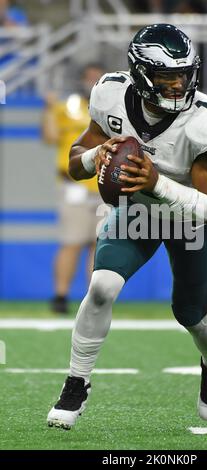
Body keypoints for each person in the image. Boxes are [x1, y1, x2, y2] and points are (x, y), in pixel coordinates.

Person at [47, 23, 207, 430]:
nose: (176, 85)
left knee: (192, 315)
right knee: (101, 287)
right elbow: (74, 161)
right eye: (165, 76)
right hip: (137, 212)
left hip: (188, 218)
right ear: (139, 74)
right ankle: (76, 382)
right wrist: (97, 155)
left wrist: (157, 183)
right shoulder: (110, 94)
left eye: (183, 75)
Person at [42, 63, 106, 314]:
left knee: (98, 245)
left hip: (104, 187)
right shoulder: (67, 107)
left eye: (96, 77)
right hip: (74, 187)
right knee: (71, 242)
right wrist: (48, 108)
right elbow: (49, 137)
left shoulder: (111, 110)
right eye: (88, 77)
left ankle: (94, 300)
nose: (91, 82)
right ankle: (60, 295)